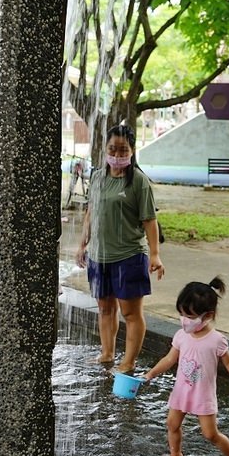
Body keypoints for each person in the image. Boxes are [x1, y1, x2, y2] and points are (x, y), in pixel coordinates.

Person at [75, 124, 164, 374]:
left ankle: (128, 362)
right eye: (112, 149)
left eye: (122, 150)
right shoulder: (97, 177)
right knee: (105, 307)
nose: (116, 154)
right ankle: (107, 354)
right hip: (99, 257)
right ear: (105, 148)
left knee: (130, 312)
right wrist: (83, 243)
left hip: (129, 256)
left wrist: (155, 253)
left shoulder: (138, 182)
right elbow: (92, 212)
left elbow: (149, 220)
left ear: (132, 151)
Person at [142, 278, 229, 456]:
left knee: (210, 434)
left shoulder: (216, 340)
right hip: (182, 391)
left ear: (208, 316)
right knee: (172, 424)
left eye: (189, 315)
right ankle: (176, 454)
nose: (184, 319)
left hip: (202, 394)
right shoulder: (182, 335)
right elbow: (170, 358)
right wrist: (151, 373)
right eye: (181, 314)